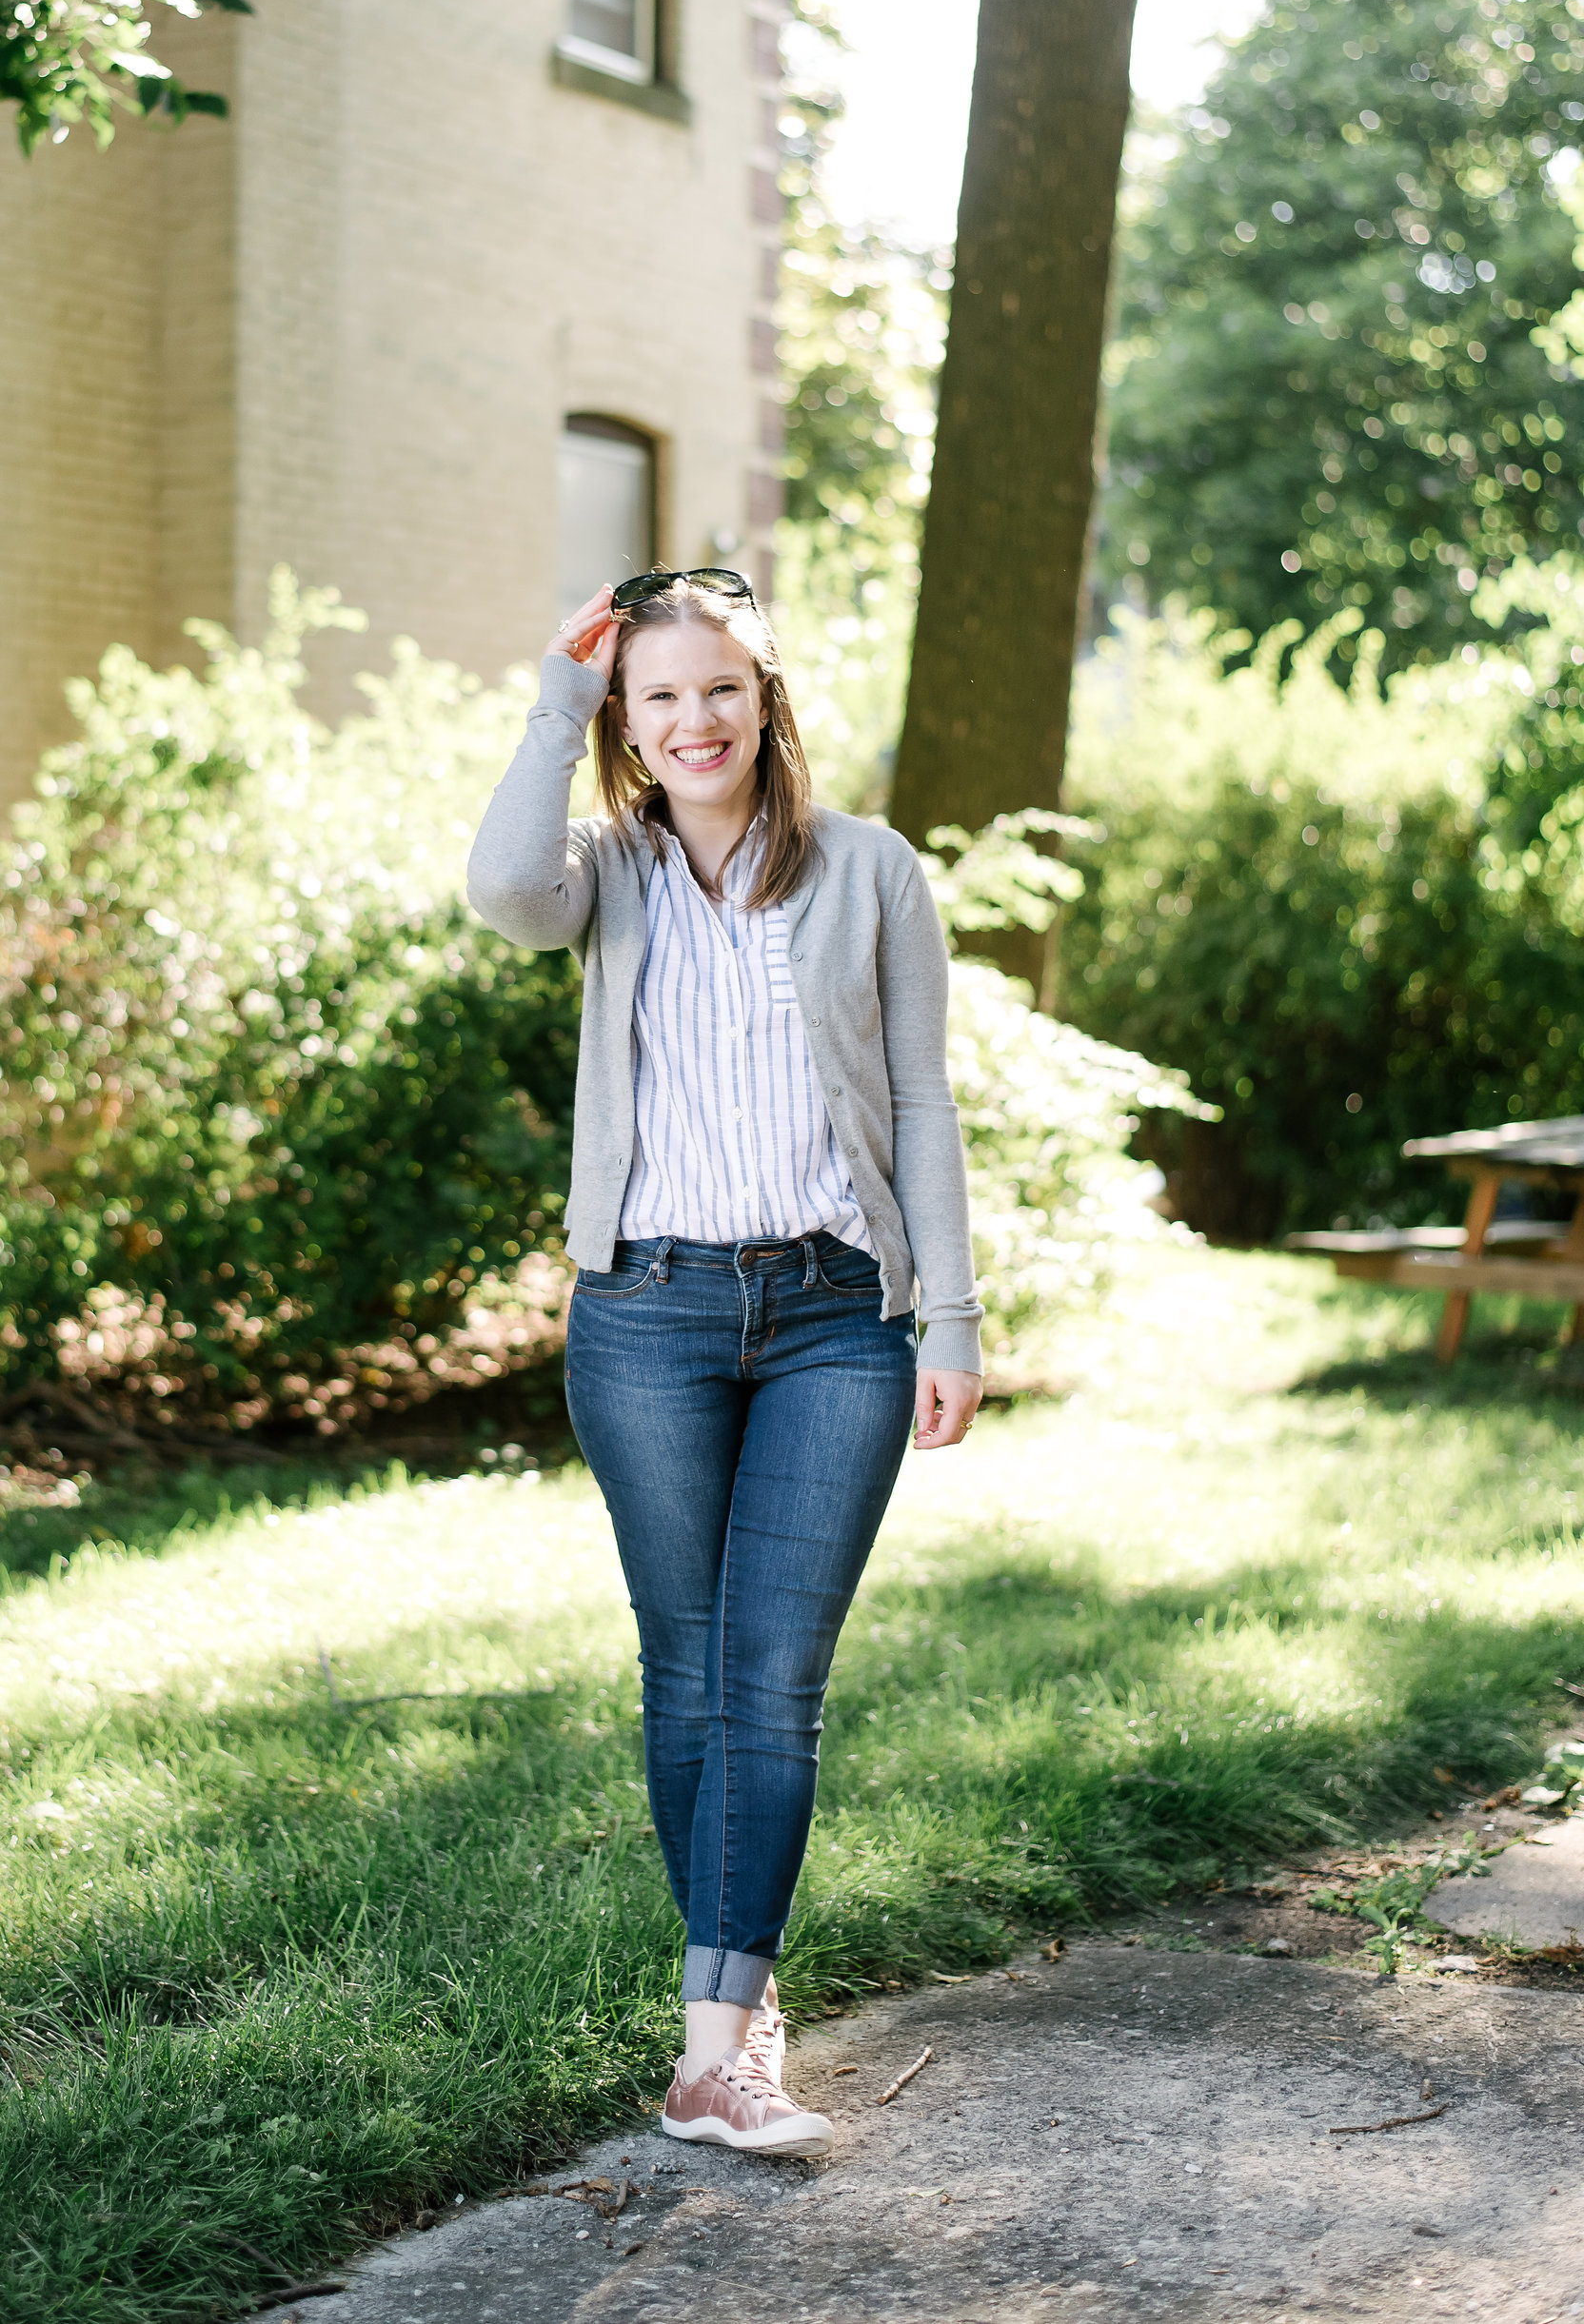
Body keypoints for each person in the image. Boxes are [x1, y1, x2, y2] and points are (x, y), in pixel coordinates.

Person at [466, 566, 983, 2159]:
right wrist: (560, 692)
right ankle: (738, 2005)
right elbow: (499, 892)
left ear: (770, 706)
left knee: (771, 1682)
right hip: (652, 1316)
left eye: (724, 691)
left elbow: (920, 1106)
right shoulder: (602, 875)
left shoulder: (875, 872)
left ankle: (715, 2052)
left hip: (839, 1313)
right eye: (661, 696)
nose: (696, 721)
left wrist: (948, 1317)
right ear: (629, 723)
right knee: (687, 1674)